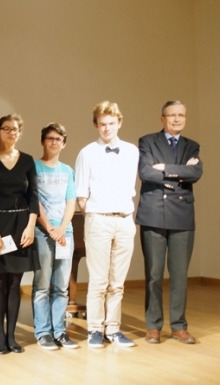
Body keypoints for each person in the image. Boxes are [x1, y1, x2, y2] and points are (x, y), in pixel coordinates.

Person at [75, 101, 139, 348]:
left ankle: (113, 329)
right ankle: (94, 329)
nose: (107, 128)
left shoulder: (132, 151)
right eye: (102, 124)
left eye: (111, 124)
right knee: (99, 280)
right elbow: (82, 193)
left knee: (117, 282)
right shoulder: (87, 152)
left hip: (124, 219)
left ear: (119, 123)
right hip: (99, 220)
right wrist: (93, 215)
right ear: (95, 125)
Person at [136, 101, 202, 344]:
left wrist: (164, 168)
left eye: (181, 115)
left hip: (182, 216)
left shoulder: (191, 146)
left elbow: (196, 173)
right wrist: (180, 172)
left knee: (179, 275)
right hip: (153, 212)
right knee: (153, 274)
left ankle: (179, 327)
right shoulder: (147, 141)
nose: (177, 119)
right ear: (162, 118)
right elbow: (146, 173)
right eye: (172, 115)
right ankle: (153, 327)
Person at [0, 114, 39, 355]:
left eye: (15, 130)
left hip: (21, 224)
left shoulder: (27, 161)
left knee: (15, 282)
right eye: (6, 129)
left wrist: (31, 225)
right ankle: (0, 338)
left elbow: (34, 196)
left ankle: (12, 337)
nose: (11, 133)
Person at [32, 123, 79, 350]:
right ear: (43, 141)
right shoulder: (34, 167)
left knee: (61, 286)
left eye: (58, 139)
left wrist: (62, 228)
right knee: (42, 285)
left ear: (64, 143)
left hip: (65, 233)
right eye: (49, 138)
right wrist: (50, 227)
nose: (53, 142)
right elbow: (35, 202)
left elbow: (71, 201)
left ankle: (59, 331)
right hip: (42, 232)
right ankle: (43, 333)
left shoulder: (68, 170)